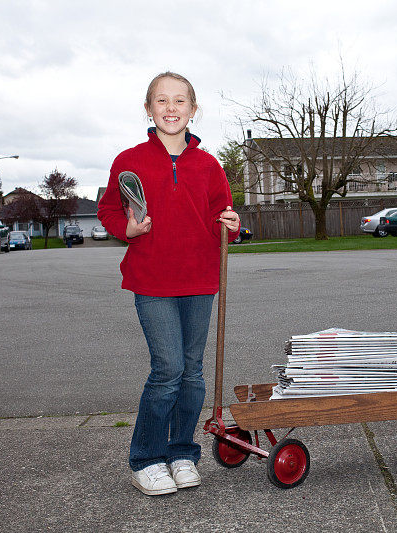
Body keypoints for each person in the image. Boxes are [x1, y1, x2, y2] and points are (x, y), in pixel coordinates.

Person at [97, 71, 240, 496]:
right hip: (152, 279)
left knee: (193, 374)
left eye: (180, 101)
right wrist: (129, 227)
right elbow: (108, 211)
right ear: (148, 109)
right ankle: (146, 458)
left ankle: (181, 453)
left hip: (200, 278)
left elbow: (223, 218)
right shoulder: (129, 161)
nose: (171, 108)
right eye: (162, 100)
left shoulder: (209, 165)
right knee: (168, 371)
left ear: (194, 111)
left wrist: (231, 225)